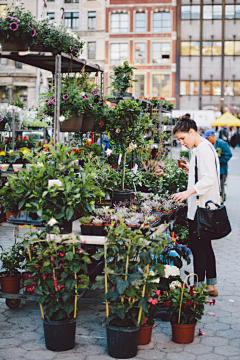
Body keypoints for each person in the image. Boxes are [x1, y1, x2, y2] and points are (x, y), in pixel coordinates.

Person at [172, 113, 220, 297]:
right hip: (206, 207)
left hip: (201, 209)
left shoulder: (202, 149)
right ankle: (210, 286)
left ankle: (197, 290)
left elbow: (210, 178)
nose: (182, 142)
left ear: (192, 131)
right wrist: (189, 170)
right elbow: (205, 175)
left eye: (183, 138)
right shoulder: (202, 148)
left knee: (199, 249)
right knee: (206, 247)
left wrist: (187, 193)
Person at [203, 129, 232, 201]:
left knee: (220, 189)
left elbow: (229, 155)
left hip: (221, 171)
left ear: (212, 136)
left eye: (208, 138)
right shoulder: (210, 144)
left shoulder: (222, 144)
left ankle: (220, 204)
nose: (207, 140)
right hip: (213, 171)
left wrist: (217, 160)